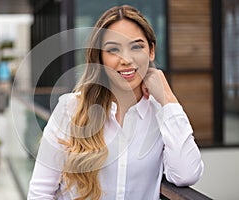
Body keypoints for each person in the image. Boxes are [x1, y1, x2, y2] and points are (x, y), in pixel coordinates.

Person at [28, 5, 204, 200]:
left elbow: (187, 174)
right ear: (100, 57)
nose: (126, 59)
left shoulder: (161, 116)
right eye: (113, 49)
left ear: (151, 51)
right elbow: (40, 193)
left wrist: (168, 99)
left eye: (137, 46)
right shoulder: (70, 109)